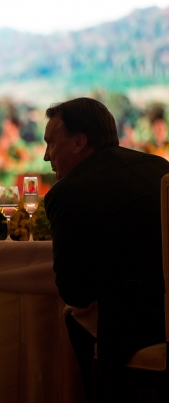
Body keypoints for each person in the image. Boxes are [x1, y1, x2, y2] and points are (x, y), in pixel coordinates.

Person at [43, 97, 168, 402]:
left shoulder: (68, 193)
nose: (46, 156)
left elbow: (74, 290)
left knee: (74, 315)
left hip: (132, 332)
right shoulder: (160, 168)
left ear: (78, 142)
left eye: (50, 144)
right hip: (165, 319)